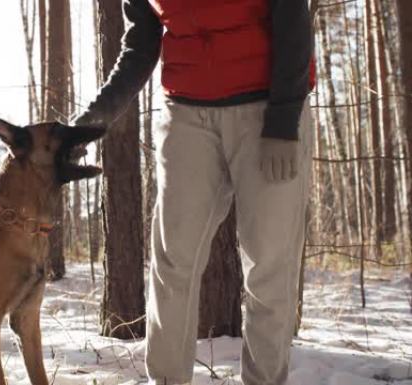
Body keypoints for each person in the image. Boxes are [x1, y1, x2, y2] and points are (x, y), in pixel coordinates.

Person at [73, 1, 315, 384]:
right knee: (173, 263)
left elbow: (292, 18)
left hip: (265, 110)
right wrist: (94, 118)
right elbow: (140, 44)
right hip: (185, 115)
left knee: (270, 267)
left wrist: (284, 120)